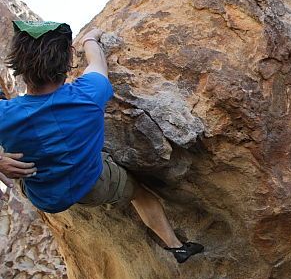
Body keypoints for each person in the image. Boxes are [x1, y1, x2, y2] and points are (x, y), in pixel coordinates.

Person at [0, 20, 204, 264]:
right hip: (91, 185)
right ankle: (176, 246)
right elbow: (97, 62)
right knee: (140, 193)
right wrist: (90, 39)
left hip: (42, 194)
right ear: (67, 61)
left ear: (18, 65)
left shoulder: (4, 114)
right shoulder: (90, 93)